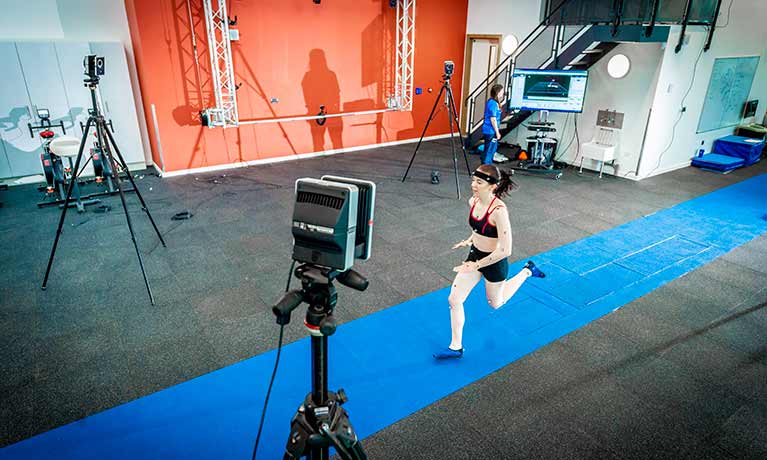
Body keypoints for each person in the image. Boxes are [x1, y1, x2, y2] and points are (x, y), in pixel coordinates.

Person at [434, 164, 545, 359]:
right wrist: (469, 240)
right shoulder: (473, 201)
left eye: (479, 182)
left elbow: (506, 249)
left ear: (492, 186)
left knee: (496, 303)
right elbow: (478, 228)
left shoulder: (499, 211)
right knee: (454, 299)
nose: (474, 185)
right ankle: (455, 347)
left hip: (494, 262)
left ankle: (527, 270)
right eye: (473, 181)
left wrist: (476, 265)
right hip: (475, 255)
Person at [481, 84, 508, 164]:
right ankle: (485, 166)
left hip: (491, 130)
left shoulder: (494, 102)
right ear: (498, 92)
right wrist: (497, 132)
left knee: (492, 149)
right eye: (502, 91)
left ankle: (487, 165)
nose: (503, 93)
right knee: (489, 150)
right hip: (490, 130)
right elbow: (493, 119)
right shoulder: (492, 103)